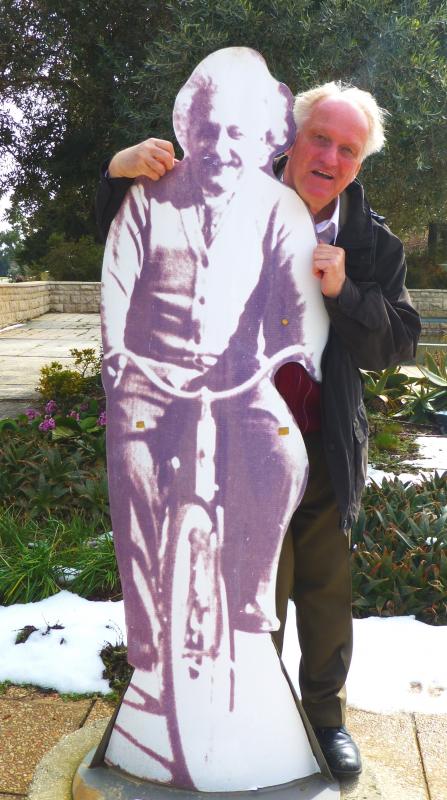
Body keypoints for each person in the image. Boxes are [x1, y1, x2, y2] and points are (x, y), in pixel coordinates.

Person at [97, 75, 421, 779]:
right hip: (230, 437)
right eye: (319, 139)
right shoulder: (224, 198)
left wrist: (346, 292)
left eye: (348, 150)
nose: (330, 158)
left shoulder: (372, 244)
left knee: (325, 592)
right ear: (291, 138)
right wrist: (117, 175)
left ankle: (325, 718)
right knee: (253, 588)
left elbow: (396, 344)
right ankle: (250, 718)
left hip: (324, 446)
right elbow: (134, 243)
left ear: (359, 163)